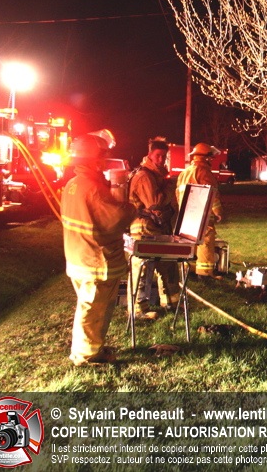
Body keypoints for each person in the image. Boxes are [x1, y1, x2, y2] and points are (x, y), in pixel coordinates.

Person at [61, 130, 136, 366]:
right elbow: (115, 219)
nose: (104, 161)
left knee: (88, 306)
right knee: (94, 309)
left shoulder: (73, 184)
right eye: (102, 156)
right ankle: (87, 355)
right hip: (95, 261)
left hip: (78, 257)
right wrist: (130, 206)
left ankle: (91, 348)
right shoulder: (93, 188)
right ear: (93, 159)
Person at [128, 137, 180, 318]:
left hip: (157, 227)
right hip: (143, 229)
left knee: (168, 265)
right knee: (143, 270)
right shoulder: (144, 176)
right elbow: (155, 203)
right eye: (158, 155)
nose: (161, 159)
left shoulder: (157, 176)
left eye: (164, 156)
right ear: (149, 155)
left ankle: (172, 304)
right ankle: (138, 311)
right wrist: (170, 187)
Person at [176, 142, 224, 278]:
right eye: (211, 158)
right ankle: (205, 273)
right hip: (201, 213)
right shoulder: (204, 172)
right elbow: (211, 193)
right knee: (205, 240)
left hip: (186, 214)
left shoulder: (184, 173)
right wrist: (218, 212)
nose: (212, 160)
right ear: (206, 157)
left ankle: (189, 269)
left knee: (190, 241)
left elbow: (177, 194)